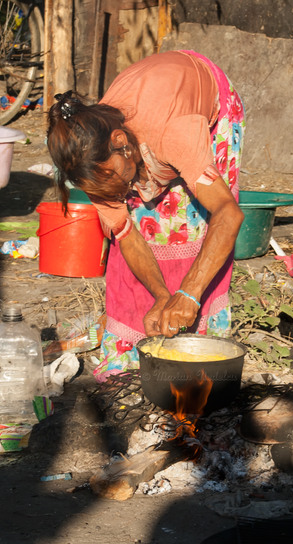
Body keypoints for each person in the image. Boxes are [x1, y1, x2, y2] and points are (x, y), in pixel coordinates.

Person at [47, 50, 245, 381]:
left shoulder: (174, 133)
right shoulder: (90, 160)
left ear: (121, 141)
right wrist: (163, 295)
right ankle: (131, 346)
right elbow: (127, 235)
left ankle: (201, 343)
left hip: (203, 102)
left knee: (193, 224)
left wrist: (189, 293)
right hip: (154, 115)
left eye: (111, 178)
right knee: (149, 223)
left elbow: (229, 214)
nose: (112, 192)